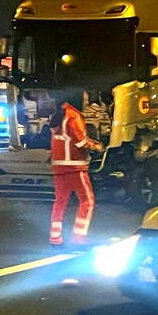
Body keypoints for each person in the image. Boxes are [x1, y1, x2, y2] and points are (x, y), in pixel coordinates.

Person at [49, 89, 103, 246]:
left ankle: (55, 238)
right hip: (75, 166)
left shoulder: (58, 115)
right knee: (87, 201)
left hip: (59, 166)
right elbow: (81, 142)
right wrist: (97, 146)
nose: (87, 103)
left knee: (60, 202)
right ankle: (79, 238)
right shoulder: (73, 115)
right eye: (85, 100)